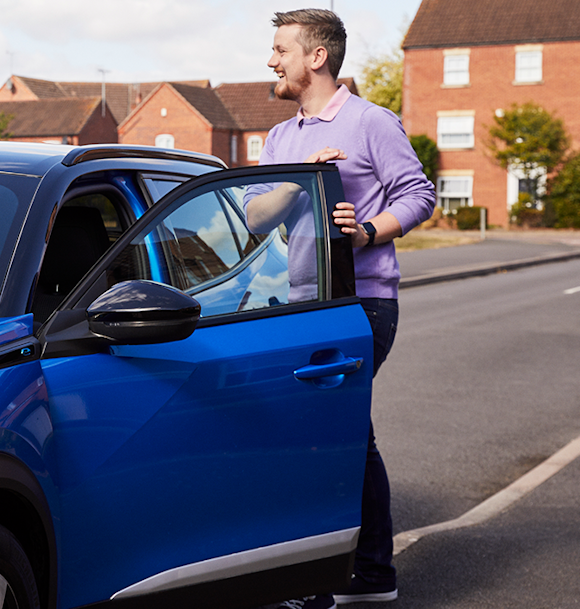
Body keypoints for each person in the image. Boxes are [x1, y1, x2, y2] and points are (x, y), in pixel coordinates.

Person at [248, 9, 436, 609]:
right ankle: (372, 574)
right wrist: (306, 181)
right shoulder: (280, 138)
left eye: (281, 49)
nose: (271, 60)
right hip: (301, 307)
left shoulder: (370, 122)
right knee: (350, 433)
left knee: (322, 430)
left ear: (317, 56)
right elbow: (254, 219)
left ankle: (319, 582)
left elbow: (419, 194)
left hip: (363, 304)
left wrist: (369, 232)